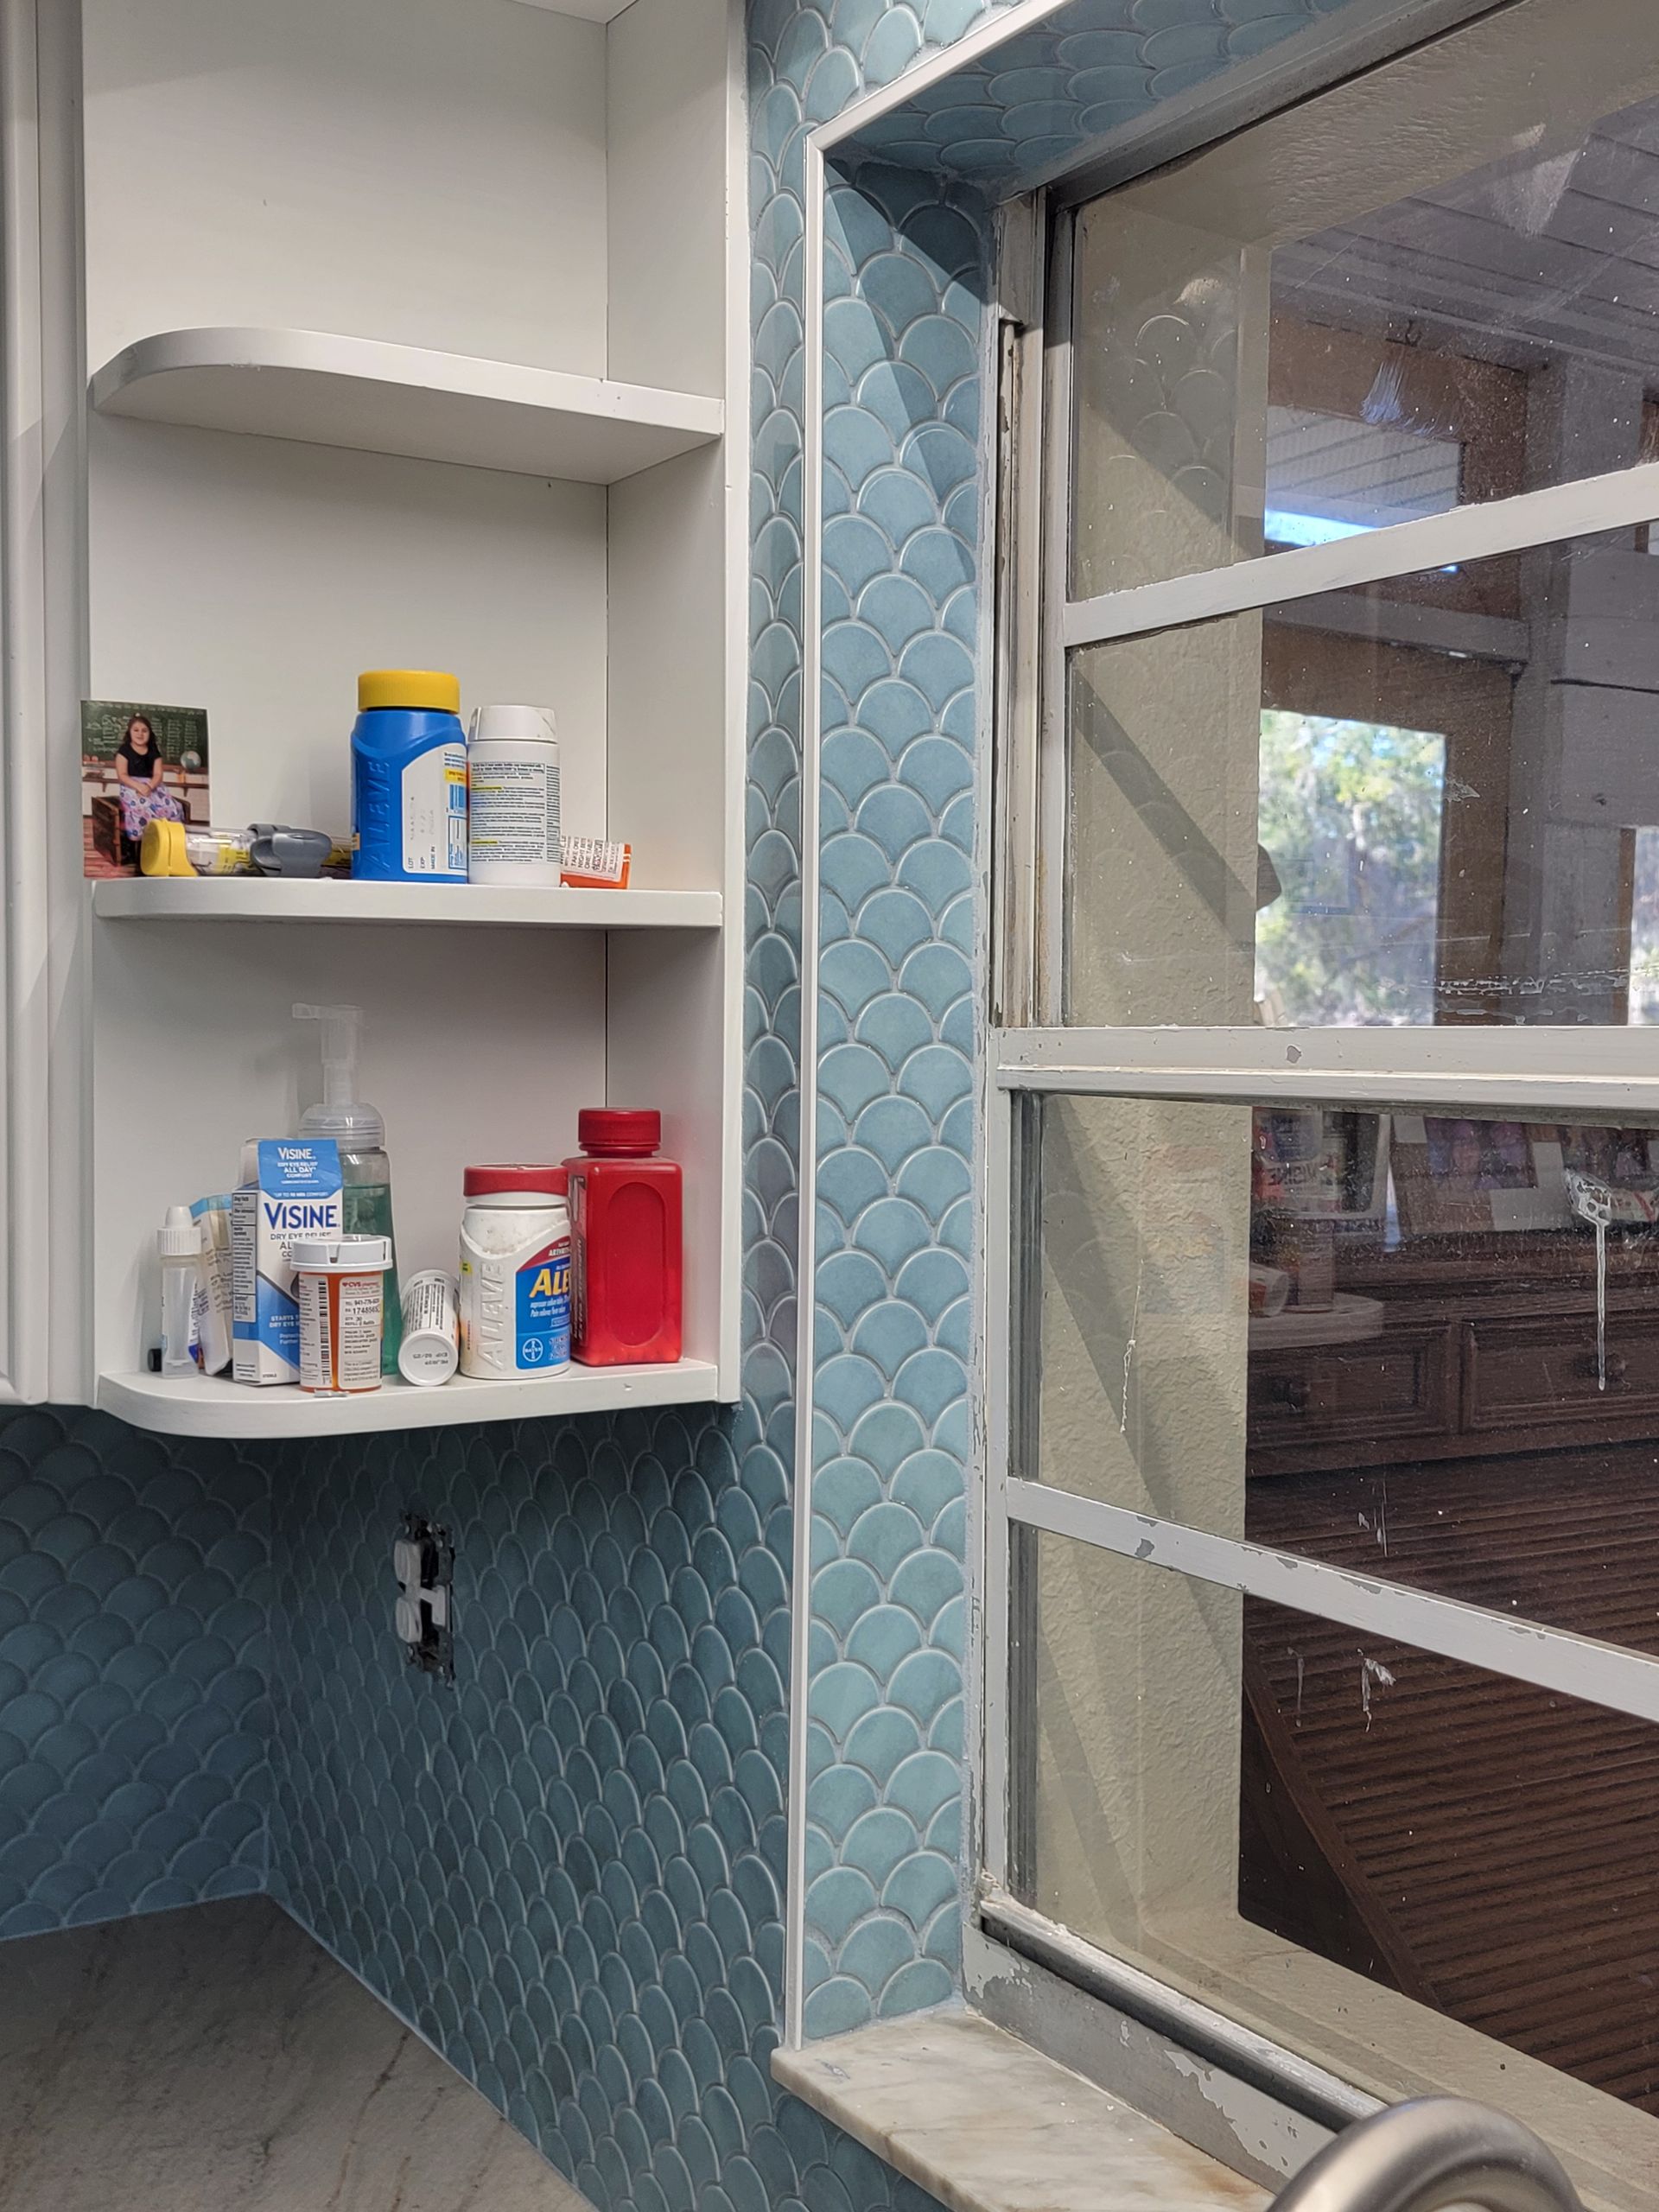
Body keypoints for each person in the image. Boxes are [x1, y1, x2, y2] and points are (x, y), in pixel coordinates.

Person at [112, 712, 183, 861]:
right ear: (130, 732)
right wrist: (138, 786)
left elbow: (158, 774)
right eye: (136, 730)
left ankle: (166, 844)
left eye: (144, 730)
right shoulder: (124, 751)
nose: (140, 734)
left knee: (172, 807)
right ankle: (141, 847)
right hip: (131, 785)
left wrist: (149, 786)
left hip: (153, 785)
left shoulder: (153, 752)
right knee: (141, 807)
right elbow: (122, 775)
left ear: (150, 733)